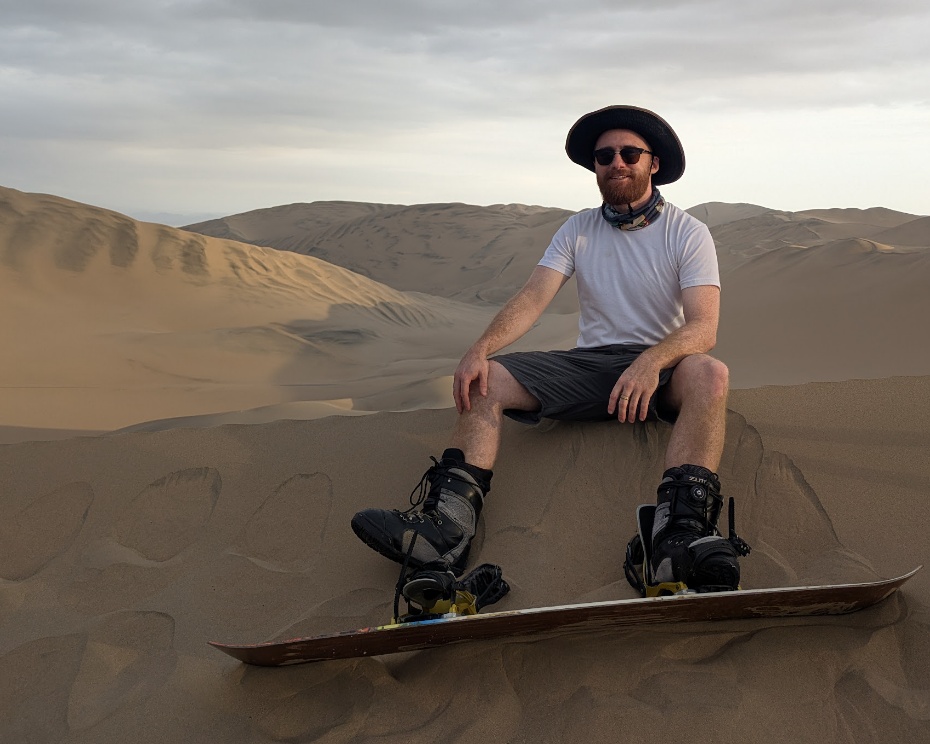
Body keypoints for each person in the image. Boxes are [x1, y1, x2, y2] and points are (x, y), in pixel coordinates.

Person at [351, 105, 744, 595]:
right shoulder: (576, 230)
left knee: (710, 373)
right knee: (487, 380)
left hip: (660, 370)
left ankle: (678, 538)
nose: (615, 163)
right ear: (594, 166)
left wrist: (650, 361)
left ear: (653, 163)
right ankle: (443, 533)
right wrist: (481, 348)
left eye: (628, 153)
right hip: (591, 367)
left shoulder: (687, 232)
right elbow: (533, 298)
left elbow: (703, 327)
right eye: (604, 156)